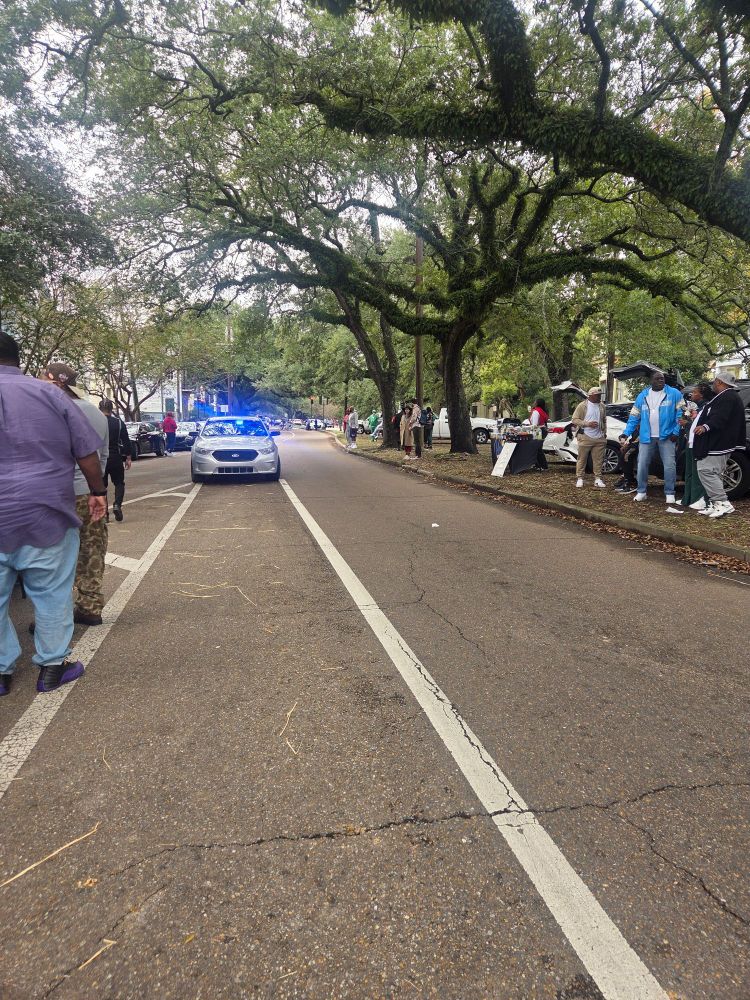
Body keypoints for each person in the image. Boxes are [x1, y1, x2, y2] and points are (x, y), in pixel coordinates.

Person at [0, 333, 108, 697]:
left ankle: (1, 673)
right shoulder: (50, 395)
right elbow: (87, 453)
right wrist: (98, 492)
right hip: (45, 512)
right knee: (51, 593)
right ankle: (51, 669)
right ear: (17, 359)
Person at [44, 364, 109, 627]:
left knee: (54, 556)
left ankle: (54, 615)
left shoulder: (50, 411)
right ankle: (90, 607)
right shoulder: (97, 413)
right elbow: (102, 456)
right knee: (92, 549)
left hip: (58, 494)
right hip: (90, 492)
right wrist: (98, 489)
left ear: (56, 383)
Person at [620, 368, 685, 504]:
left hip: (667, 436)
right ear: (651, 381)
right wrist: (626, 433)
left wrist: (676, 432)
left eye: (662, 378)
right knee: (642, 464)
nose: (661, 380)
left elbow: (682, 414)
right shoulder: (642, 396)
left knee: (669, 465)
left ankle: (670, 493)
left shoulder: (674, 393)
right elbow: (634, 417)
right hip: (646, 437)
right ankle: (641, 492)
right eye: (657, 378)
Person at [693, 372, 746, 518]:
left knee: (706, 470)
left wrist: (705, 427)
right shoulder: (727, 396)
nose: (713, 383)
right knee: (714, 472)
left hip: (719, 442)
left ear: (720, 382)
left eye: (715, 381)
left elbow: (721, 417)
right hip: (720, 441)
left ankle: (723, 503)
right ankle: (715, 503)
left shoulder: (728, 397)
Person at [677, 382, 713, 512]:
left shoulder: (707, 408)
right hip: (691, 442)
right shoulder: (698, 408)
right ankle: (688, 497)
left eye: (695, 392)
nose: (692, 394)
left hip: (698, 443)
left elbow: (704, 425)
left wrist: (687, 423)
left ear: (701, 395)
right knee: (689, 472)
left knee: (698, 473)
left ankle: (699, 499)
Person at [99, 399, 132, 521]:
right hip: (115, 457)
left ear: (99, 409)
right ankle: (117, 504)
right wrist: (128, 457)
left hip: (100, 458)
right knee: (119, 483)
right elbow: (126, 440)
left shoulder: (95, 422)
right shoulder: (118, 423)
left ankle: (104, 513)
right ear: (111, 409)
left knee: (101, 486)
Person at [571, 387, 607, 489]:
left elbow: (604, 420)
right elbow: (574, 419)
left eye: (600, 395)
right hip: (585, 436)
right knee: (582, 459)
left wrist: (604, 433)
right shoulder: (582, 406)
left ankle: (598, 479)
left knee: (599, 460)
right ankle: (580, 478)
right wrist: (587, 424)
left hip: (599, 437)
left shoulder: (602, 406)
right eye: (597, 395)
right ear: (591, 395)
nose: (599, 397)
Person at [613, 427, 639, 494]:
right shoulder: (634, 421)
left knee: (626, 456)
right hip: (634, 440)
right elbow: (631, 425)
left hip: (642, 440)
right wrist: (625, 436)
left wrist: (634, 443)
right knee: (622, 454)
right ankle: (628, 480)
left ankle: (631, 483)